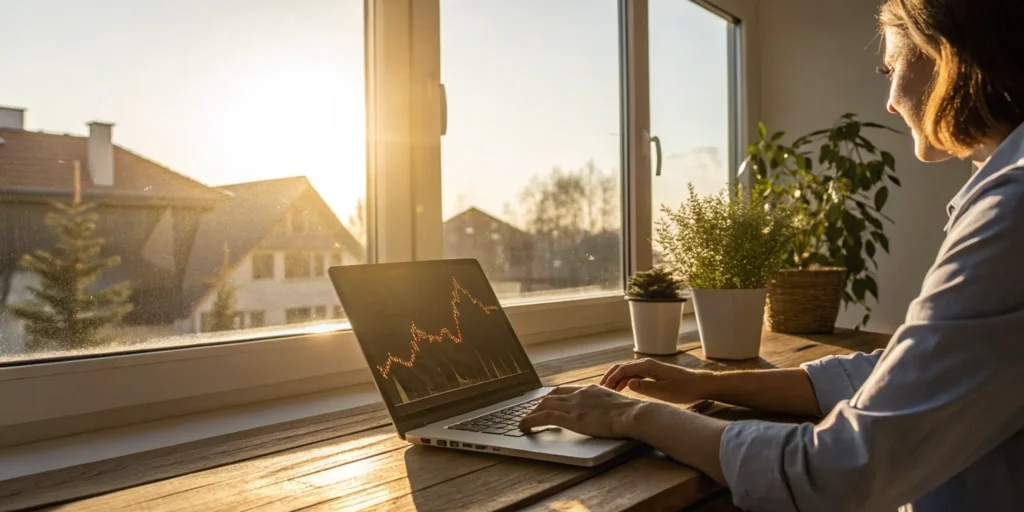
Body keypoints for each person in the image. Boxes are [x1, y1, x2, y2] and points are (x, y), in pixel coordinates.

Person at [518, 0, 1024, 510]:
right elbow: (903, 373)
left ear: (946, 53)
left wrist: (630, 416)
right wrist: (705, 381)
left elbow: (838, 472)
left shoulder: (1012, 211)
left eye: (891, 68)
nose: (890, 101)